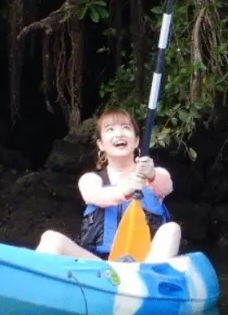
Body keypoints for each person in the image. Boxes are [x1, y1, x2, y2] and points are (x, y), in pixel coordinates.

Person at [37, 109, 181, 263]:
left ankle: (146, 278)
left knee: (172, 229)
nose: (119, 134)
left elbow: (167, 187)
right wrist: (125, 190)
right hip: (101, 268)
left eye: (125, 128)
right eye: (110, 129)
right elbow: (95, 196)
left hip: (145, 264)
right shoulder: (91, 179)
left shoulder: (155, 175)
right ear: (101, 144)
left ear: (137, 141)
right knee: (50, 238)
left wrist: (151, 175)